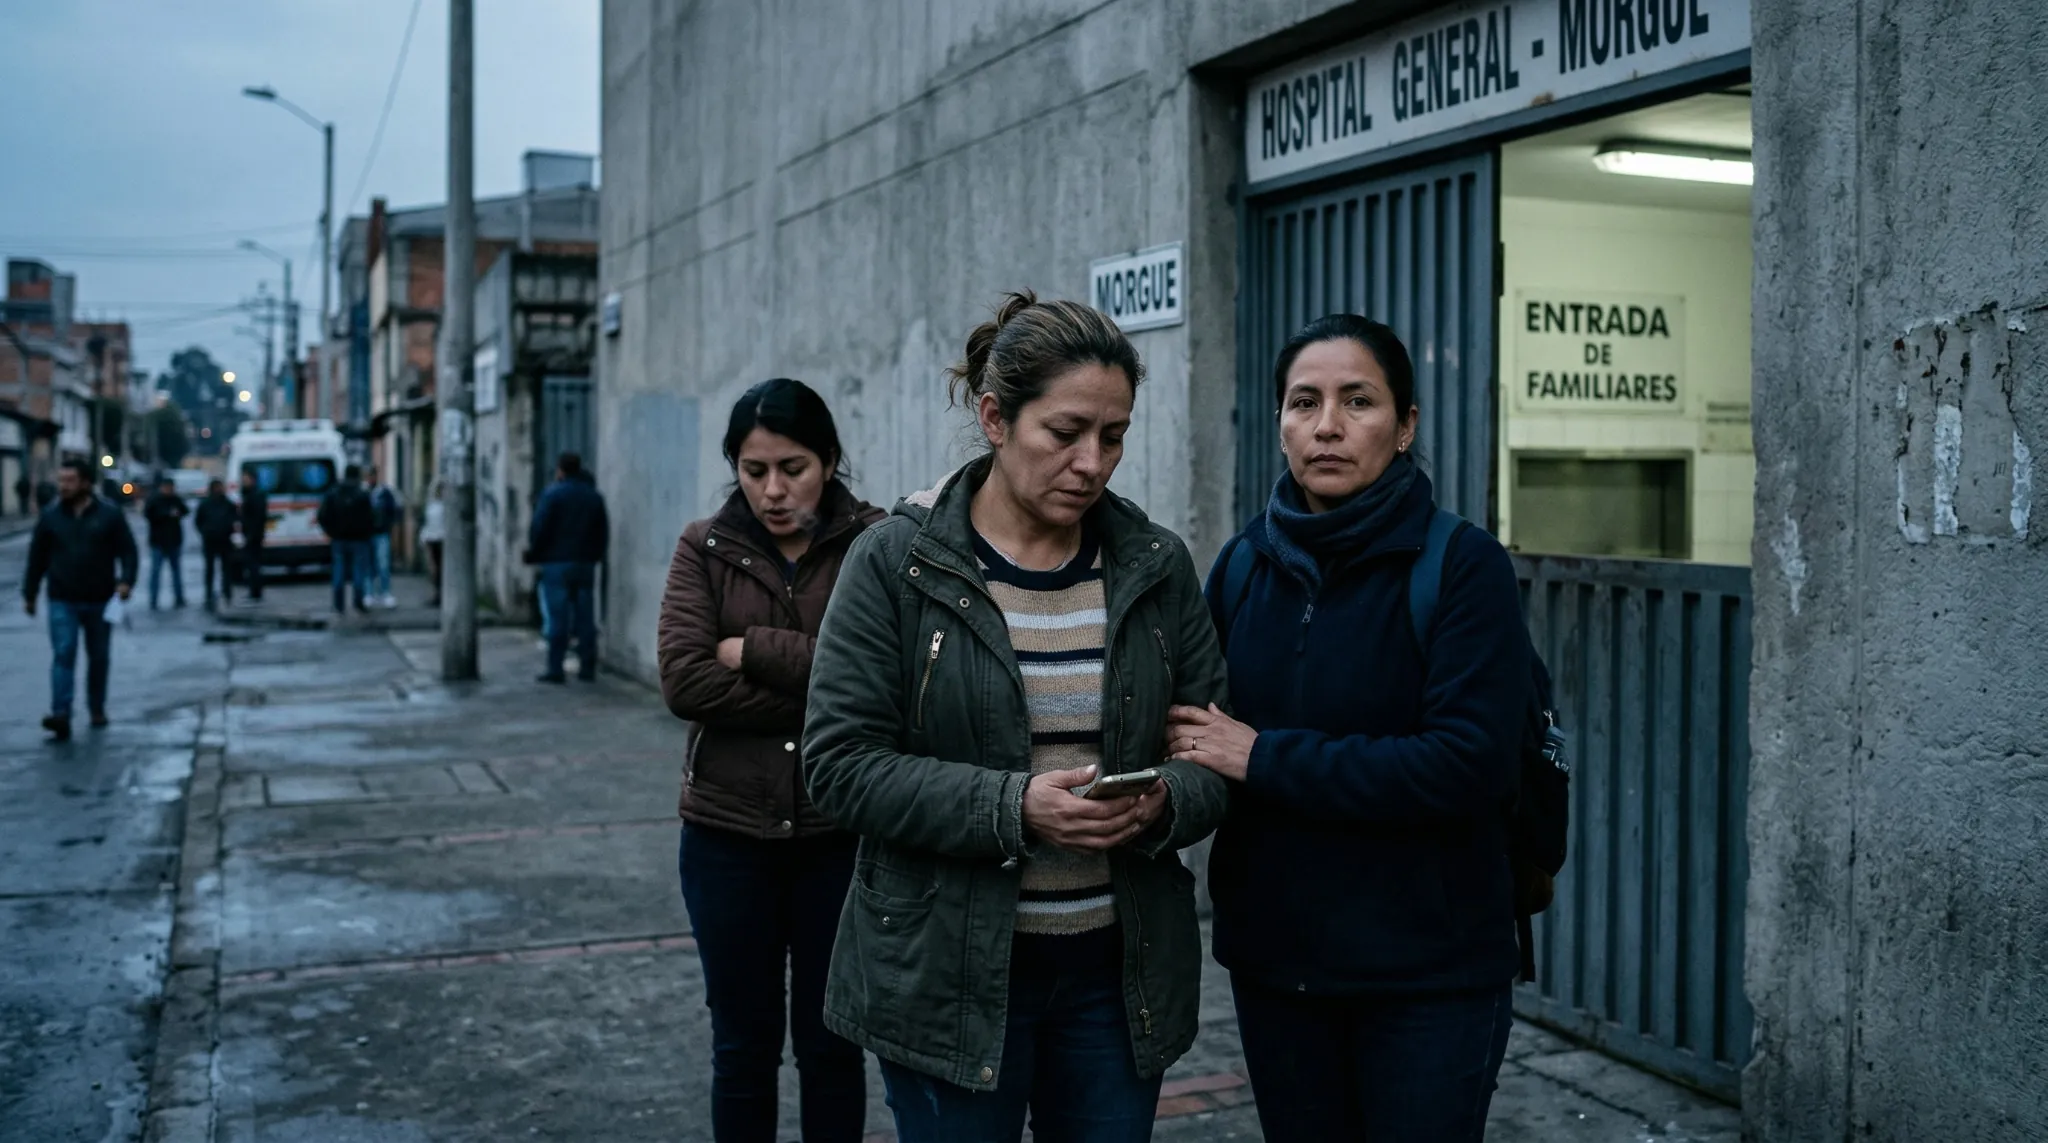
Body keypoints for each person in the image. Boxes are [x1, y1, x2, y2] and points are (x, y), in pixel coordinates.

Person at [803, 291, 1232, 1143]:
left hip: (1116, 972)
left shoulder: (1154, 564)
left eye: (1113, 436)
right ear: (995, 418)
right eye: (1065, 432)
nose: (1092, 461)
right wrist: (1015, 807)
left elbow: (1215, 747)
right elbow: (839, 764)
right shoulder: (897, 562)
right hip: (944, 971)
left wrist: (1167, 800)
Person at [1166, 314, 1532, 1143]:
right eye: (1304, 402)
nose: (1326, 425)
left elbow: (1467, 765)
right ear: (1281, 423)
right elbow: (1194, 732)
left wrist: (1265, 756)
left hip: (1429, 976)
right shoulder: (1243, 563)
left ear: (1405, 426)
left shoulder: (1463, 566)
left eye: (1357, 401)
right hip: (1279, 969)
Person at [656, 378, 884, 1143]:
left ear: (828, 458)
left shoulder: (874, 544)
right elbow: (685, 678)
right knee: (741, 1047)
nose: (774, 490)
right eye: (754, 471)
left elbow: (888, 680)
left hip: (838, 835)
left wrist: (750, 648)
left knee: (832, 1044)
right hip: (726, 838)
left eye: (793, 467)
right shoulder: (704, 546)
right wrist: (828, 686)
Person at [22, 458, 137, 741]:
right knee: (64, 653)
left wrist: (126, 581)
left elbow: (128, 551)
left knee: (98, 657)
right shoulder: (50, 517)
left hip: (100, 599)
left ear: (86, 482)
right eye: (61, 481)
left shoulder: (109, 515)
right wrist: (31, 592)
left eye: (70, 481)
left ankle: (96, 707)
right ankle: (61, 713)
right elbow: (37, 557)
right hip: (62, 598)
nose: (63, 486)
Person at [527, 452, 609, 683]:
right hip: (584, 563)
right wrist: (595, 556)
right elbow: (602, 531)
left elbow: (539, 527)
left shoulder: (552, 494)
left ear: (560, 469)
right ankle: (587, 667)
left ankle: (556, 668)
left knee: (558, 618)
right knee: (585, 617)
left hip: (556, 562)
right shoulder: (593, 496)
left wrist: (535, 553)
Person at [317, 464, 376, 615]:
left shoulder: (334, 492)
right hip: (359, 539)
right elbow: (371, 517)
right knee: (358, 571)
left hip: (339, 538)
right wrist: (367, 533)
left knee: (339, 571)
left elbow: (322, 515)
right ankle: (358, 602)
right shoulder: (362, 493)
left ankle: (339, 604)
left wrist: (330, 532)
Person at [141, 476, 189, 610]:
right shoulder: (155, 500)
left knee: (176, 572)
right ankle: (153, 599)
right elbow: (149, 514)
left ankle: (178, 598)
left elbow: (185, 511)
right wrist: (167, 514)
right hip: (159, 542)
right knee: (156, 572)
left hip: (173, 541)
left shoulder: (175, 499)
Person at [194, 479, 238, 609]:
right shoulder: (206, 504)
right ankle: (208, 594)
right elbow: (198, 521)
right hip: (210, 541)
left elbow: (234, 518)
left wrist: (228, 530)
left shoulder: (228, 504)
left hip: (224, 540)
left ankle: (227, 592)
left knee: (226, 569)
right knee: (210, 569)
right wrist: (205, 532)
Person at [366, 465, 402, 608]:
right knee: (369, 565)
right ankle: (369, 593)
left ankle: (385, 593)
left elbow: (392, 511)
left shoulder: (384, 492)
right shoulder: (364, 492)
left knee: (383, 564)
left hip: (381, 533)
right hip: (367, 534)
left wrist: (390, 527)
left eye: (372, 476)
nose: (370, 479)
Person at [238, 468, 268, 601]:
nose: (243, 481)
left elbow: (256, 517)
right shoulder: (251, 494)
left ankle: (255, 591)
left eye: (245, 479)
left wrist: (251, 534)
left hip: (253, 535)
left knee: (253, 564)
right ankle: (254, 590)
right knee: (252, 564)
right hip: (251, 534)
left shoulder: (255, 495)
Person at [419, 483, 446, 608]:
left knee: (440, 569)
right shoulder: (432, 505)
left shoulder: (445, 506)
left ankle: (441, 595)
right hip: (432, 539)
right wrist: (424, 538)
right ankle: (437, 594)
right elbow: (428, 524)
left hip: (442, 539)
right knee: (434, 569)